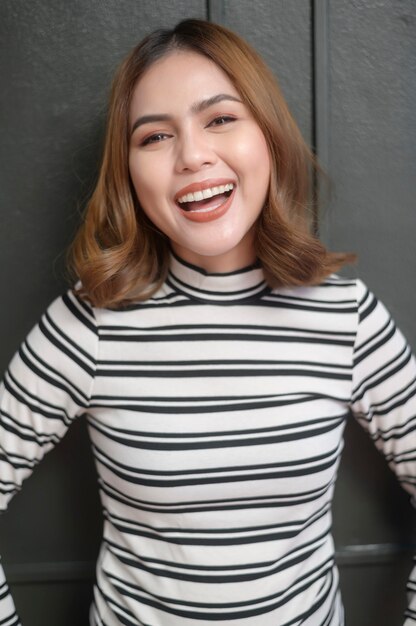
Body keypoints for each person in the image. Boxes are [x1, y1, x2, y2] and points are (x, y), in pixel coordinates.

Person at [0, 18, 415, 626]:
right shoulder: (87, 323)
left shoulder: (346, 318)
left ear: (267, 136)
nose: (193, 155)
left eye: (220, 118)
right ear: (130, 172)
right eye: (154, 137)